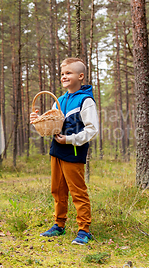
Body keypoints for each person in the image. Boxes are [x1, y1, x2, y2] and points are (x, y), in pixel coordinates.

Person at [30, 58, 99, 245]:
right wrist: (37, 119)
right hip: (56, 151)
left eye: (68, 73)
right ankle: (59, 225)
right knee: (57, 190)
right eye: (62, 74)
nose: (64, 76)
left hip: (74, 152)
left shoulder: (86, 100)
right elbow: (51, 123)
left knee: (77, 191)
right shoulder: (59, 101)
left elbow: (92, 130)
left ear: (80, 76)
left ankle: (84, 230)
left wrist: (70, 139)